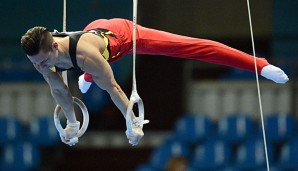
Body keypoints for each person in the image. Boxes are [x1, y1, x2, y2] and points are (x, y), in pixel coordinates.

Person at [21, 18, 288, 146]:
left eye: (44, 62)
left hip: (121, 36)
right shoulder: (42, 57)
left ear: (54, 47)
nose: (40, 67)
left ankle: (259, 65)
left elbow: (114, 89)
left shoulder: (85, 54)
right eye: (36, 63)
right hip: (92, 33)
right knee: (90, 71)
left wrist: (132, 121)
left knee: (191, 47)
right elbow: (59, 90)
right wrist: (71, 122)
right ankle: (89, 75)